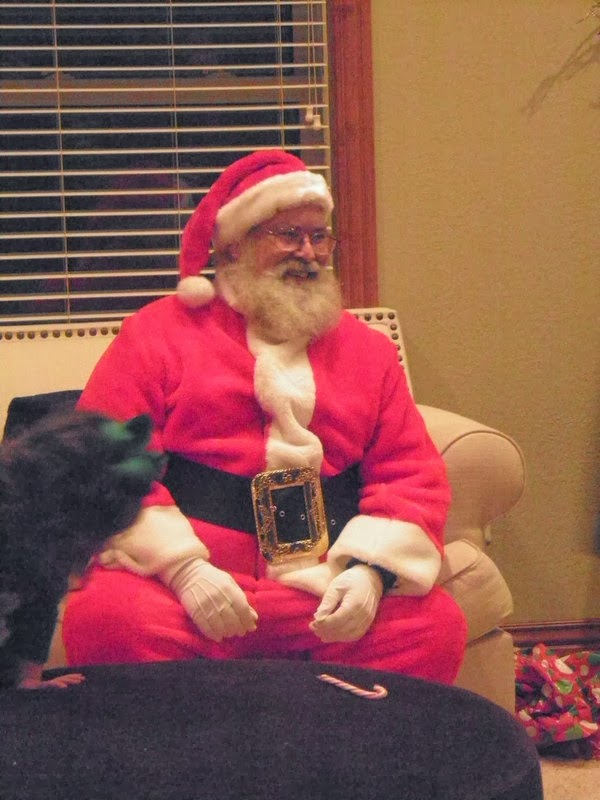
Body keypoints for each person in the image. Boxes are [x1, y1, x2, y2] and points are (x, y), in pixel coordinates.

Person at [63, 149, 467, 683]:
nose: (309, 253)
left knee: (434, 626)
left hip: (321, 593)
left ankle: (333, 736)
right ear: (234, 244)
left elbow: (410, 475)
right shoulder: (156, 334)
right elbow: (103, 459)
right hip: (190, 592)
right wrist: (183, 569)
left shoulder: (368, 352)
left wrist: (369, 573)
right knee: (107, 618)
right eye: (288, 235)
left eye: (320, 237)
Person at [0, 410, 163, 689]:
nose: (97, 549)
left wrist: (29, 679)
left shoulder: (47, 554)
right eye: (93, 538)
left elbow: (40, 610)